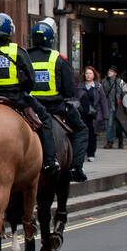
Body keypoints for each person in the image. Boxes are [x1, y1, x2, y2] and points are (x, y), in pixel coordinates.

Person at [0, 13, 59, 174]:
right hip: (15, 98)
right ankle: (50, 160)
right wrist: (25, 90)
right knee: (44, 117)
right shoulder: (17, 51)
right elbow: (31, 78)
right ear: (9, 31)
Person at [26, 20, 90, 182]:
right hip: (54, 107)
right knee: (82, 129)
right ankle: (76, 167)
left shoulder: (24, 56)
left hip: (29, 106)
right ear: (50, 39)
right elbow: (69, 90)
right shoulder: (58, 59)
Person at [75, 66, 107, 162]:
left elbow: (103, 101)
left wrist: (105, 115)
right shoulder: (80, 86)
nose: (88, 75)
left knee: (92, 134)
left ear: (94, 75)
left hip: (94, 114)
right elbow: (75, 99)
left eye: (90, 73)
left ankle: (91, 153)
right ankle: (82, 152)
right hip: (82, 113)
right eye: (87, 73)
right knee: (82, 133)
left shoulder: (98, 86)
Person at [102, 66, 127, 149]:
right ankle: (110, 141)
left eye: (112, 71)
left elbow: (126, 97)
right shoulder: (104, 82)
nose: (109, 72)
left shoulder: (120, 82)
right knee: (109, 125)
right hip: (109, 107)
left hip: (118, 107)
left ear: (115, 73)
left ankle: (120, 141)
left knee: (119, 126)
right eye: (109, 70)